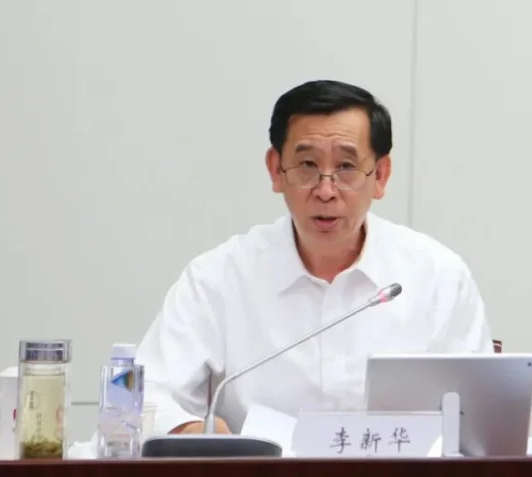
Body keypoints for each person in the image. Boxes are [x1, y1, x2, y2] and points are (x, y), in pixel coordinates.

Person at [135, 79, 493, 436]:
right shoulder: (218, 278)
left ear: (381, 176)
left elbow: (480, 418)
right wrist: (189, 429)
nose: (325, 191)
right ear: (276, 170)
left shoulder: (438, 278)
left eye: (346, 167)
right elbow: (145, 394)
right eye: (307, 165)